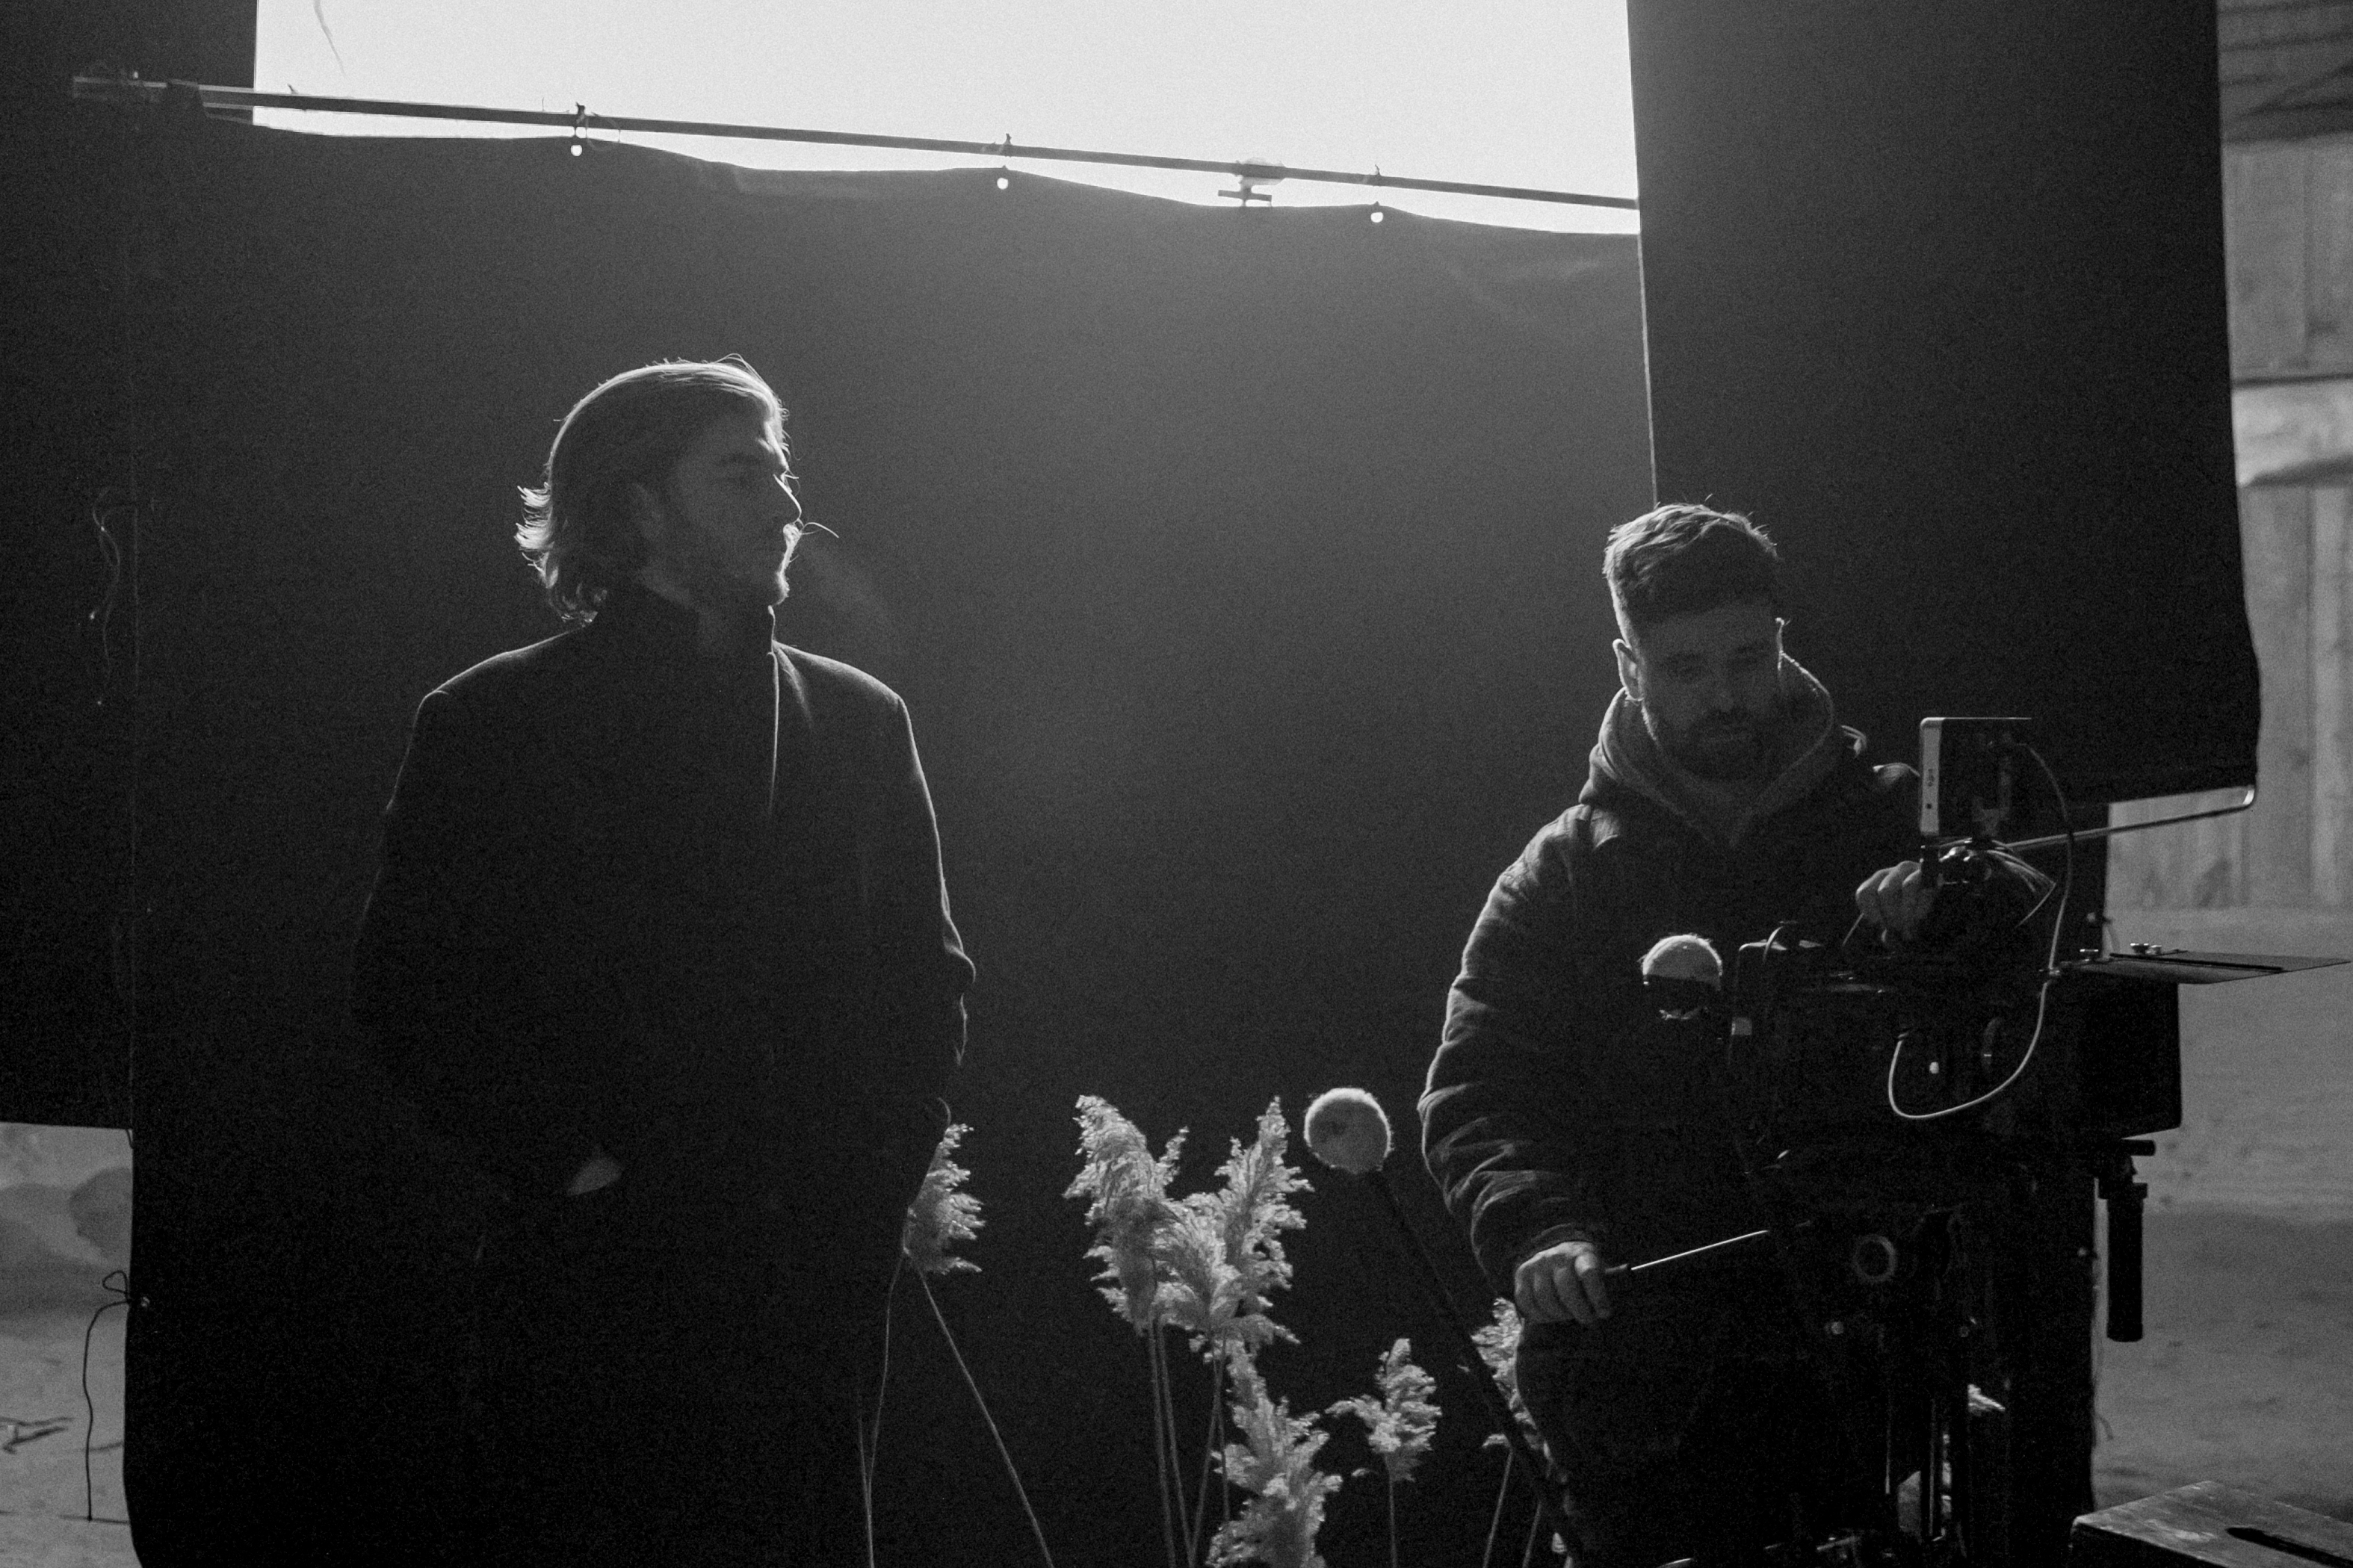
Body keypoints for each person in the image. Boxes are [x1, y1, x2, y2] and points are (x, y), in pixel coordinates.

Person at [350, 357, 973, 1564]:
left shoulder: (860, 718)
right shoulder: (492, 720)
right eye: (741, 474)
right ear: (637, 505)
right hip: (593, 1285)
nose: (787, 505)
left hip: (805, 1287)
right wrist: (573, 1168)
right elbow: (412, 991)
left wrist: (861, 1186)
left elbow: (925, 984)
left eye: (782, 473)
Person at [1420, 503, 2063, 1567]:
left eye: (1746, 659)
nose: (1723, 695)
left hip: (1872, 1352)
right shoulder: (1563, 876)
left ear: (1780, 640)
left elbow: (2032, 952)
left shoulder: (1895, 819)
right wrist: (1538, 1231)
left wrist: (1958, 910)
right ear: (1626, 666)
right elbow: (1480, 1088)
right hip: (1644, 1372)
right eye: (1684, 669)